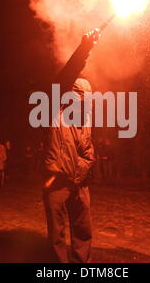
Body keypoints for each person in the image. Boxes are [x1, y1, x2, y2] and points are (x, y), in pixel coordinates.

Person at [42, 29, 99, 263]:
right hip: (56, 182)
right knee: (57, 233)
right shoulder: (53, 111)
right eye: (79, 95)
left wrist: (81, 173)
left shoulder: (85, 121)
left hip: (80, 184)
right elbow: (67, 75)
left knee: (83, 231)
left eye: (87, 97)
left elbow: (89, 152)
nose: (84, 101)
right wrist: (85, 46)